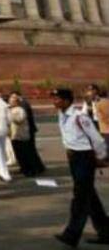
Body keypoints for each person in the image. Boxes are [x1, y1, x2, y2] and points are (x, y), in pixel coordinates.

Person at [52, 88, 109, 247]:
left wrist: (100, 157)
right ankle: (106, 232)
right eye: (54, 98)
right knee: (89, 196)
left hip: (84, 157)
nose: (54, 101)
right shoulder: (62, 114)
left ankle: (71, 234)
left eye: (58, 99)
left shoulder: (80, 117)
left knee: (80, 198)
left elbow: (97, 139)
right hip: (73, 157)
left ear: (67, 100)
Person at [14, 91, 46, 175]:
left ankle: (35, 168)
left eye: (14, 97)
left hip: (28, 130)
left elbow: (22, 118)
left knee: (30, 150)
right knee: (31, 150)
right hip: (29, 130)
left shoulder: (23, 105)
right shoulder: (23, 104)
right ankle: (38, 167)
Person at [8, 93, 36, 177]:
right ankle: (23, 168)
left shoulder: (20, 110)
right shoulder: (12, 110)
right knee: (18, 154)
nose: (10, 103)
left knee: (24, 154)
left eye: (12, 101)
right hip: (15, 135)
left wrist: (11, 116)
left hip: (21, 135)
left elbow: (20, 119)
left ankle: (28, 170)